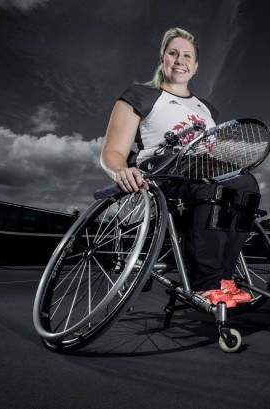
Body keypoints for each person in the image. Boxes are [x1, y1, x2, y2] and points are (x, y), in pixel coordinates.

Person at [100, 27, 258, 308]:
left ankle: (224, 279)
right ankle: (207, 283)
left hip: (205, 171)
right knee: (208, 184)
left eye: (187, 55)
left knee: (246, 185)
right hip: (165, 175)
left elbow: (212, 151)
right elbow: (112, 152)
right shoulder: (140, 95)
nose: (180, 60)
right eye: (173, 53)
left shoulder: (207, 108)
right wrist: (122, 171)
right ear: (163, 58)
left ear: (195, 66)